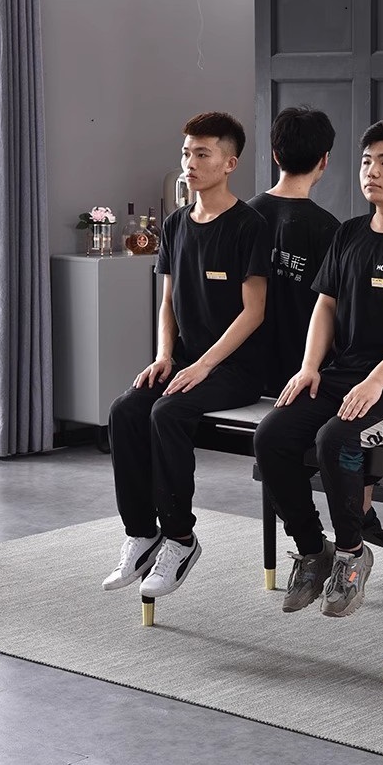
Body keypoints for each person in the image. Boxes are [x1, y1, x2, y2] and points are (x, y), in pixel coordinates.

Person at [254, 119, 383, 616]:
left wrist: (375, 382)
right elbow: (325, 305)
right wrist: (309, 367)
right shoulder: (347, 234)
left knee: (336, 440)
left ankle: (351, 554)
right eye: (367, 161)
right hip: (343, 375)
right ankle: (311, 549)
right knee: (271, 436)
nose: (372, 171)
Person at [103, 112, 271, 598]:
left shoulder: (250, 226)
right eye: (186, 153)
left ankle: (180, 539)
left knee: (168, 412)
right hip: (183, 362)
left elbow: (254, 312)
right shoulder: (176, 224)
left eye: (202, 154)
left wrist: (203, 365)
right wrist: (164, 356)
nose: (189, 163)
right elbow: (168, 302)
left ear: (229, 163)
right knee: (125, 410)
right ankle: (141, 533)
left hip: (235, 368)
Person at [248, 106, 383, 547]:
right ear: (325, 160)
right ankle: (360, 512)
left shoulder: (242, 218)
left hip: (251, 373)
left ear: (275, 154)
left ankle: (323, 536)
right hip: (308, 379)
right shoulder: (332, 230)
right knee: (355, 409)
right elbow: (340, 316)